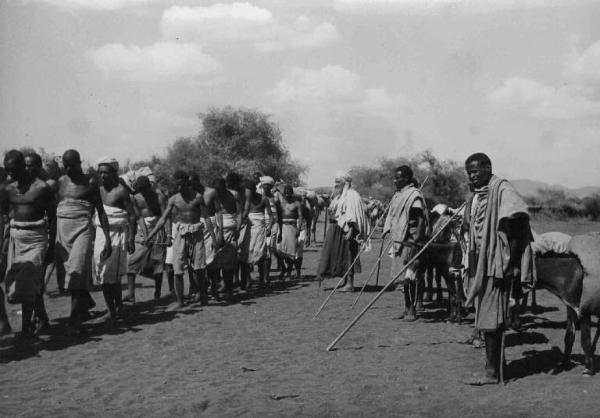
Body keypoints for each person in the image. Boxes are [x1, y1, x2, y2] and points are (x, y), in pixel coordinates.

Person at [462, 153, 531, 386]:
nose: (471, 175)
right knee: (488, 317)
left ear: (488, 168)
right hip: (482, 262)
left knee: (492, 318)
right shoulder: (479, 194)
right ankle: (496, 367)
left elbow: (519, 223)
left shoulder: (502, 190)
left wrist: (510, 264)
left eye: (475, 171)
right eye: (468, 172)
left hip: (496, 263)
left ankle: (492, 374)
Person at [0, 150, 56, 340]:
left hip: (36, 238)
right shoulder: (7, 189)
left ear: (23, 166)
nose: (10, 174)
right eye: (8, 170)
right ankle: (42, 320)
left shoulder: (42, 188)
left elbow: (53, 217)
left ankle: (25, 330)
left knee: (27, 283)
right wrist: (4, 242)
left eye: (14, 170)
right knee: (14, 288)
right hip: (16, 237)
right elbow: (3, 216)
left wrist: (52, 246)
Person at [56, 149, 111, 333]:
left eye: (72, 164)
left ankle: (74, 320)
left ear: (80, 163)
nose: (69, 168)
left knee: (77, 271)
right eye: (66, 165)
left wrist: (108, 239)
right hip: (63, 232)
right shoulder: (60, 182)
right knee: (69, 274)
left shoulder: (91, 182)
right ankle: (84, 302)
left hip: (82, 230)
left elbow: (101, 212)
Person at [145, 170, 216, 307]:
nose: (179, 188)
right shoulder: (174, 199)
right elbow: (163, 219)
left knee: (199, 268)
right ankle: (180, 301)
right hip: (181, 233)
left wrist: (213, 238)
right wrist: (151, 235)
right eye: (177, 185)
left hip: (197, 233)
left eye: (181, 185)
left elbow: (206, 218)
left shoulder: (198, 197)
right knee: (177, 269)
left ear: (187, 183)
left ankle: (203, 296)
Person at [93, 157, 136, 324]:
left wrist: (131, 238)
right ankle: (111, 309)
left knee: (114, 275)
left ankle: (118, 308)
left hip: (117, 234)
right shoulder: (98, 191)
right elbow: (95, 213)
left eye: (106, 172)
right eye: (100, 173)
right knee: (102, 272)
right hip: (100, 234)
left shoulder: (121, 191)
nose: (102, 176)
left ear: (114, 173)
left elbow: (132, 215)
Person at [382, 166, 428, 321]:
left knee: (411, 277)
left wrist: (416, 241)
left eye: (398, 178)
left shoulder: (413, 195)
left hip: (411, 241)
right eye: (394, 178)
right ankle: (407, 307)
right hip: (400, 240)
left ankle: (412, 309)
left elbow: (420, 220)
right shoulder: (399, 195)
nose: (395, 180)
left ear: (407, 178)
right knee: (403, 278)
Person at [316, 171, 370, 292]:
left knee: (348, 254)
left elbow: (353, 214)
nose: (336, 184)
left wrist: (351, 230)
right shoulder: (339, 195)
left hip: (346, 230)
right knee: (340, 254)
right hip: (337, 229)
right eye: (335, 182)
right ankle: (346, 281)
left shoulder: (352, 195)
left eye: (339, 182)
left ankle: (350, 283)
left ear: (345, 183)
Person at [126, 175, 168, 302]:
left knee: (158, 263)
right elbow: (138, 217)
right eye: (140, 190)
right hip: (142, 231)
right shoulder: (134, 198)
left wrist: (166, 233)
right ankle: (131, 293)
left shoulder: (159, 196)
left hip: (158, 230)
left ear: (149, 187)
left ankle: (158, 292)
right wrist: (145, 235)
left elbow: (164, 216)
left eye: (144, 189)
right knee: (131, 261)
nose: (143, 192)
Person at [240, 178, 273, 289]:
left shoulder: (263, 199)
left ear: (254, 189)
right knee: (246, 254)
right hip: (247, 228)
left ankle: (262, 278)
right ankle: (247, 279)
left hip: (260, 228)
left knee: (260, 253)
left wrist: (269, 228)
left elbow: (271, 215)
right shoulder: (243, 200)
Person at [211, 177, 240, 301]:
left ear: (225, 187)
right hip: (215, 230)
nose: (218, 192)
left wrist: (238, 229)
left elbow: (239, 212)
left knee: (228, 263)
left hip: (231, 230)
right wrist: (217, 232)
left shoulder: (233, 195)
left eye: (220, 189)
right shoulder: (211, 195)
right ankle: (216, 289)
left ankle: (229, 290)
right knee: (213, 262)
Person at [277, 185, 304, 280]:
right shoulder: (281, 204)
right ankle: (284, 269)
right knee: (279, 250)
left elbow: (300, 216)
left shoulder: (297, 204)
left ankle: (288, 271)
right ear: (283, 194)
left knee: (291, 251)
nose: (287, 195)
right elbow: (279, 218)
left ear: (292, 193)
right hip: (283, 227)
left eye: (289, 193)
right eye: (286, 193)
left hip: (292, 227)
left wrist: (298, 228)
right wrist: (279, 230)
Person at [261, 176, 283, 276]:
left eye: (268, 185)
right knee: (264, 247)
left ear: (270, 187)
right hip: (262, 223)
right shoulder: (260, 197)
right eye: (264, 185)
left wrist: (280, 229)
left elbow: (279, 212)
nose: (266, 187)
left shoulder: (275, 198)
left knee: (271, 247)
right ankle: (264, 273)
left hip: (273, 224)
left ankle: (268, 273)